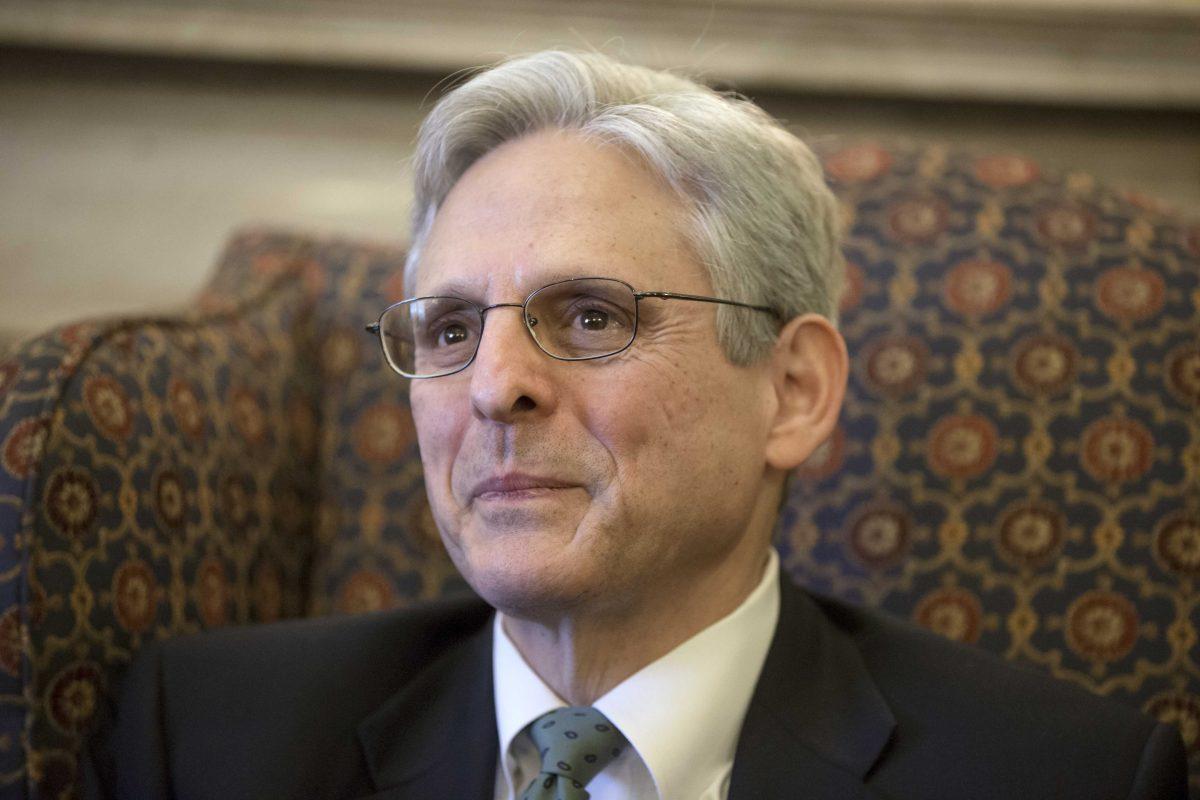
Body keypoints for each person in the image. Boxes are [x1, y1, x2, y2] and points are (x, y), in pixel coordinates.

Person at [85, 51, 1187, 800]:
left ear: (793, 390)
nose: (493, 386)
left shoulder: (1058, 772)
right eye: (454, 327)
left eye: (592, 315)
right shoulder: (211, 738)